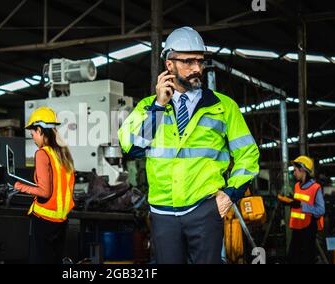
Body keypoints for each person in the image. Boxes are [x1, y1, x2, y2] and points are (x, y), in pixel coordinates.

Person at [118, 26, 259, 264]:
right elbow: (132, 147)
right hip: (163, 212)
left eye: (200, 61)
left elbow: (248, 154)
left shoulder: (224, 107)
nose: (197, 68)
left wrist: (229, 195)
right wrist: (159, 108)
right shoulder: (147, 107)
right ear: (169, 65)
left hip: (205, 208)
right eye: (188, 61)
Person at [13, 106, 75, 264]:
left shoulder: (42, 153)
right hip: (61, 221)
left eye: (33, 134)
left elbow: (45, 192)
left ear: (40, 130)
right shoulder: (63, 154)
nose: (33, 138)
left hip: (44, 221)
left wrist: (20, 186)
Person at [283, 155, 325, 264]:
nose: (294, 173)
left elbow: (321, 210)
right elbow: (298, 203)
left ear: (302, 170)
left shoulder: (316, 188)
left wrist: (302, 205)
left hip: (308, 228)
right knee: (293, 258)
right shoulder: (297, 186)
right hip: (297, 227)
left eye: (296, 170)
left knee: (307, 259)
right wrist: (291, 202)